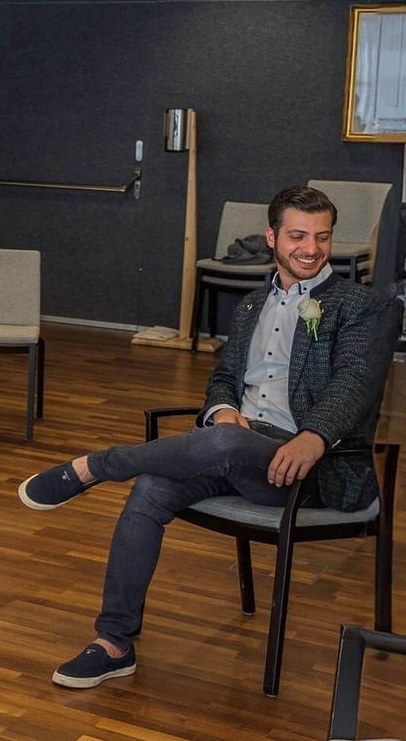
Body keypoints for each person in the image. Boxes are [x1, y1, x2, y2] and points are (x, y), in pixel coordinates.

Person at [20, 185, 394, 690]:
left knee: (223, 444)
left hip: (306, 466)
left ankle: (93, 467)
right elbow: (224, 378)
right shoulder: (251, 305)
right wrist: (222, 410)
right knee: (153, 485)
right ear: (272, 237)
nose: (311, 248)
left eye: (322, 237)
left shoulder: (360, 304)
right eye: (298, 236)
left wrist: (314, 436)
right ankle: (114, 643)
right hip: (236, 448)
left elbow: (355, 384)